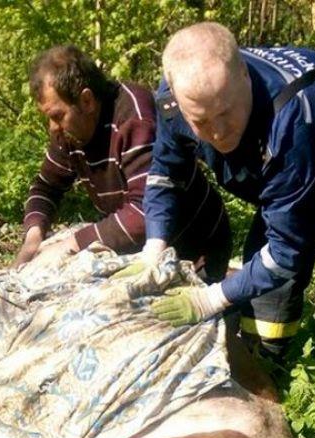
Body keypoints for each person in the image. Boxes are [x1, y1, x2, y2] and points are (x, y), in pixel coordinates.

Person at [143, 23, 315, 438]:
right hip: (304, 152)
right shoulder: (174, 102)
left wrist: (211, 298)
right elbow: (166, 175)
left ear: (243, 78)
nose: (217, 133)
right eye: (201, 121)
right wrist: (154, 245)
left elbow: (286, 252)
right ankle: (267, 376)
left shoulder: (294, 119)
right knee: (264, 272)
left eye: (226, 113)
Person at [16, 45, 231, 281]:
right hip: (144, 250)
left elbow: (144, 212)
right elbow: (45, 187)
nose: (53, 127)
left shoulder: (134, 117)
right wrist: (33, 238)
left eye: (57, 116)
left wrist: (71, 244)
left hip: (197, 250)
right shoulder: (69, 131)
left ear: (87, 101)